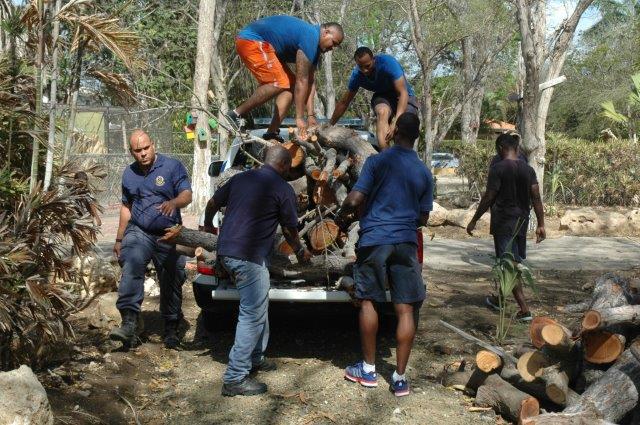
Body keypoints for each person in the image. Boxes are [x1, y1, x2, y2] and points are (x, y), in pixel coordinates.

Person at [335, 113, 433, 397]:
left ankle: (367, 370)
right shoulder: (424, 171)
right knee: (405, 308)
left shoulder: (377, 161)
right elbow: (424, 217)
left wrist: (343, 214)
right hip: (405, 241)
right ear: (415, 136)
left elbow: (354, 199)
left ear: (396, 130)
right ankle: (400, 378)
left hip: (375, 240)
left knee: (369, 302)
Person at [204, 145, 313, 397]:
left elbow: (212, 202)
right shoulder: (282, 188)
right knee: (251, 314)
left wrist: (210, 226)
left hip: (228, 253)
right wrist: (300, 251)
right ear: (285, 165)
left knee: (258, 305)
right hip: (248, 258)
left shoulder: (241, 178)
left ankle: (256, 357)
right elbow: (289, 229)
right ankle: (235, 377)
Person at [109, 130, 192, 349]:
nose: (143, 153)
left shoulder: (172, 166)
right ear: (131, 152)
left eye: (146, 148)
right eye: (138, 151)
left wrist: (174, 203)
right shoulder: (129, 174)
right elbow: (126, 207)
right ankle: (128, 323)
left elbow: (187, 194)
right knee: (132, 262)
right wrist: (119, 239)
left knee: (173, 275)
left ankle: (171, 329)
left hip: (168, 233)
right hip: (140, 231)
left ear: (153, 145)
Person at [223, 16, 344, 141]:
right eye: (334, 43)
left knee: (290, 84)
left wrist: (311, 115)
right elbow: (301, 80)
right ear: (326, 32)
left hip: (266, 47)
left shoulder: (315, 48)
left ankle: (271, 132)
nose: (332, 48)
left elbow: (310, 82)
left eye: (336, 46)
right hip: (251, 40)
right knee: (279, 82)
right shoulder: (311, 37)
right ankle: (235, 114)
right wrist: (299, 118)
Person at [466, 133, 546, 322]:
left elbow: (489, 196)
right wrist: (541, 224)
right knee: (511, 262)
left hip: (503, 223)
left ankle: (524, 309)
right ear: (516, 149)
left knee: (508, 265)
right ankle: (500, 299)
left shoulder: (498, 169)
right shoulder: (528, 170)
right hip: (521, 222)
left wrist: (474, 219)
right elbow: (536, 198)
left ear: (500, 149)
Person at [330, 47, 419, 149]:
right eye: (361, 67)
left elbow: (403, 93)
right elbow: (344, 102)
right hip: (383, 96)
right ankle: (386, 155)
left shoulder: (388, 63)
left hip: (404, 96)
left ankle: (403, 154)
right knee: (382, 112)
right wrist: (330, 124)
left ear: (374, 59)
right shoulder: (357, 75)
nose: (365, 70)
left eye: (368, 66)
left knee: (404, 124)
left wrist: (396, 122)